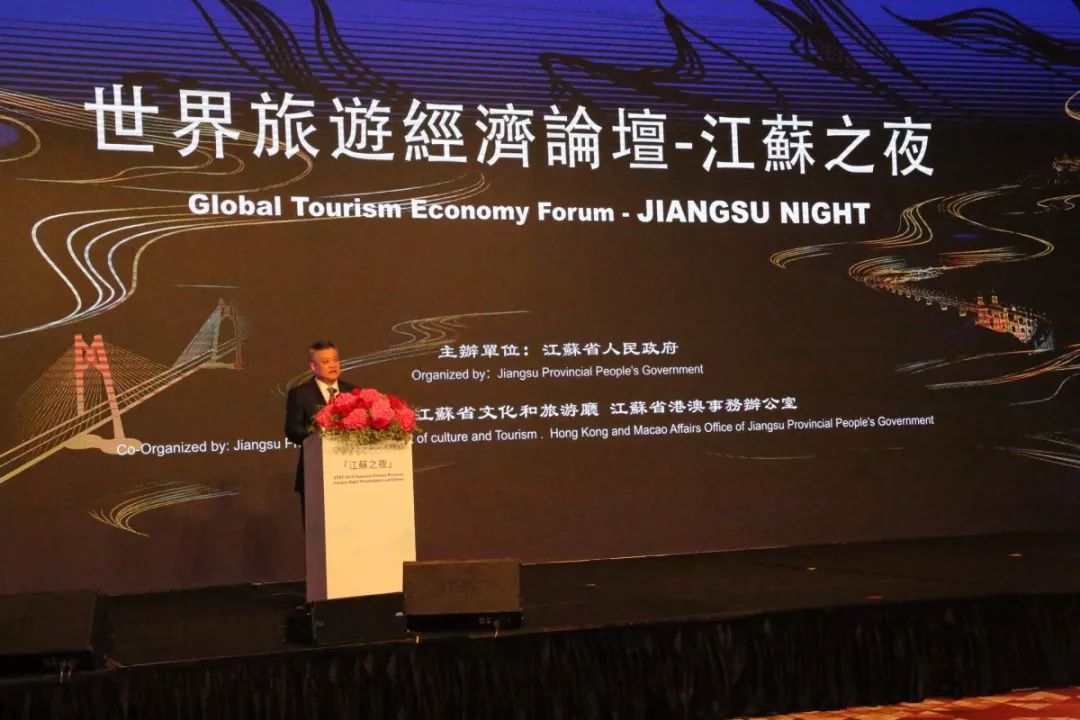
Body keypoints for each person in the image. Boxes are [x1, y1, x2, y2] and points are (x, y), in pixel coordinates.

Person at [285, 340, 356, 522]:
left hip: (352, 474)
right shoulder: (300, 394)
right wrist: (321, 434)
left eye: (335, 360)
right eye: (326, 361)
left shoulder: (354, 391)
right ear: (313, 366)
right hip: (315, 475)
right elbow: (292, 430)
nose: (333, 365)